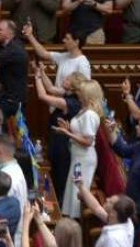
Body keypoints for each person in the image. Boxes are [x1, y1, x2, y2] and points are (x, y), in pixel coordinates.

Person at [34, 65, 87, 204]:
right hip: (57, 138)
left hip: (63, 143)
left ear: (74, 85)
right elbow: (51, 88)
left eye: (68, 79)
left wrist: (37, 77)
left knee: (60, 177)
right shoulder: (67, 94)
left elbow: (43, 96)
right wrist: (42, 72)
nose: (65, 79)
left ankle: (60, 206)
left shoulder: (71, 102)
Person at [53, 80, 103, 218]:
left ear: (87, 94)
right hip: (77, 156)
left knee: (78, 191)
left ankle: (77, 224)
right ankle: (71, 220)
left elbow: (88, 141)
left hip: (84, 158)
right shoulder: (83, 110)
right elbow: (80, 133)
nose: (77, 93)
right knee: (72, 189)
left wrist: (67, 133)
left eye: (80, 91)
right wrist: (68, 128)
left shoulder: (90, 115)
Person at [76, 183, 136, 247]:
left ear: (113, 214)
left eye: (110, 202)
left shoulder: (112, 240)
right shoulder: (126, 222)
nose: (107, 199)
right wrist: (81, 186)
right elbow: (96, 208)